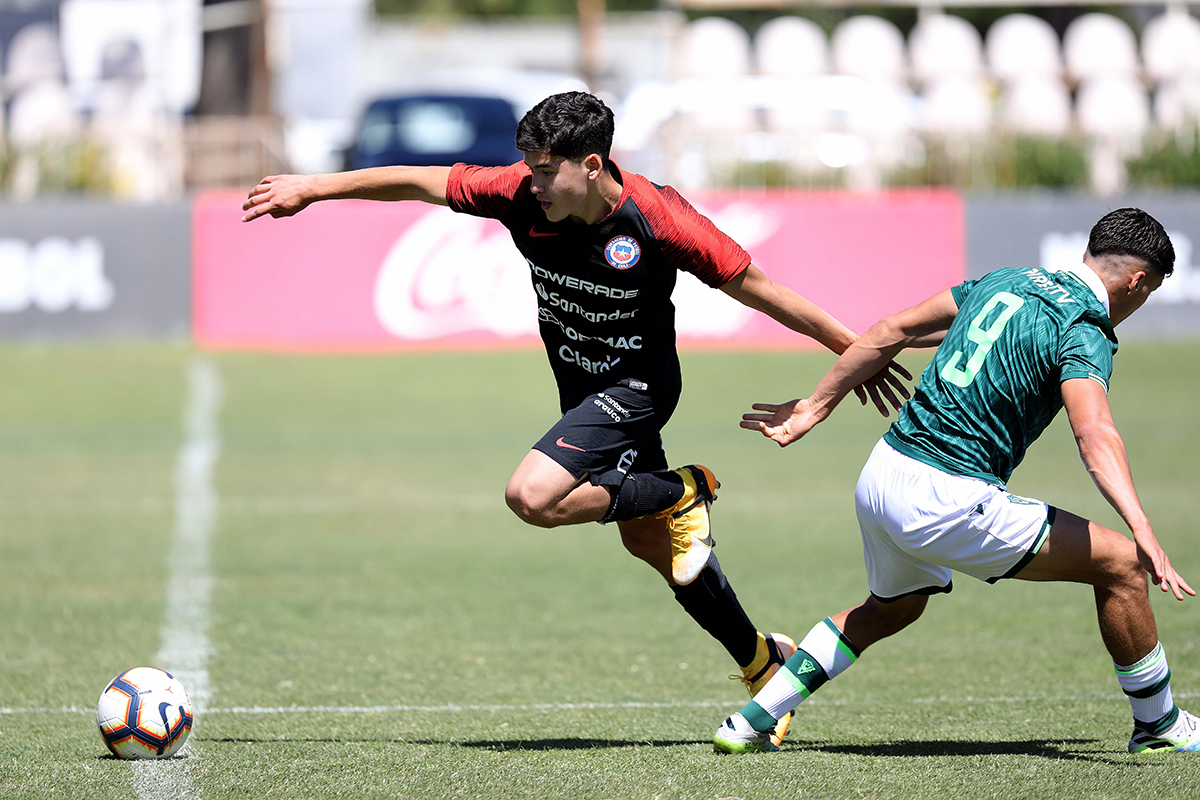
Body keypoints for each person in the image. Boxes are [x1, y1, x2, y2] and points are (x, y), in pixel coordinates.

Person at [243, 91, 907, 744]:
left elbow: (763, 290)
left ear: (591, 166)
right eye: (528, 168)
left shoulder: (661, 219)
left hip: (639, 386)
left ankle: (684, 490)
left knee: (530, 495)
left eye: (544, 171)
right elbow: (421, 179)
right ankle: (762, 659)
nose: (532, 185)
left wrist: (856, 352)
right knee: (649, 543)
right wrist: (313, 187)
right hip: (581, 388)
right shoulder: (518, 194)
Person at [714, 207, 1200, 755]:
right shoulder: (1084, 327)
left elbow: (891, 330)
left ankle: (752, 719)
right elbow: (1096, 435)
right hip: (945, 497)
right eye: (1150, 292)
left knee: (894, 605)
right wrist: (1143, 529)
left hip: (882, 474)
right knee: (1123, 566)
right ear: (1138, 281)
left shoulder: (1003, 281)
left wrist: (814, 407)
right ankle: (1158, 723)